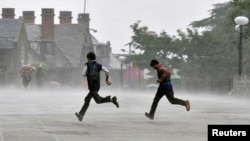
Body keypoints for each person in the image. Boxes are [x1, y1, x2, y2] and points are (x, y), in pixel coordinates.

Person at [75, 52, 119, 121]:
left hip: (91, 86)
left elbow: (83, 74)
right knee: (87, 99)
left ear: (88, 58)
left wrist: (88, 73)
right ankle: (81, 115)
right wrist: (107, 80)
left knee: (97, 100)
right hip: (97, 85)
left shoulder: (88, 65)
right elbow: (107, 71)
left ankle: (112, 99)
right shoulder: (98, 65)